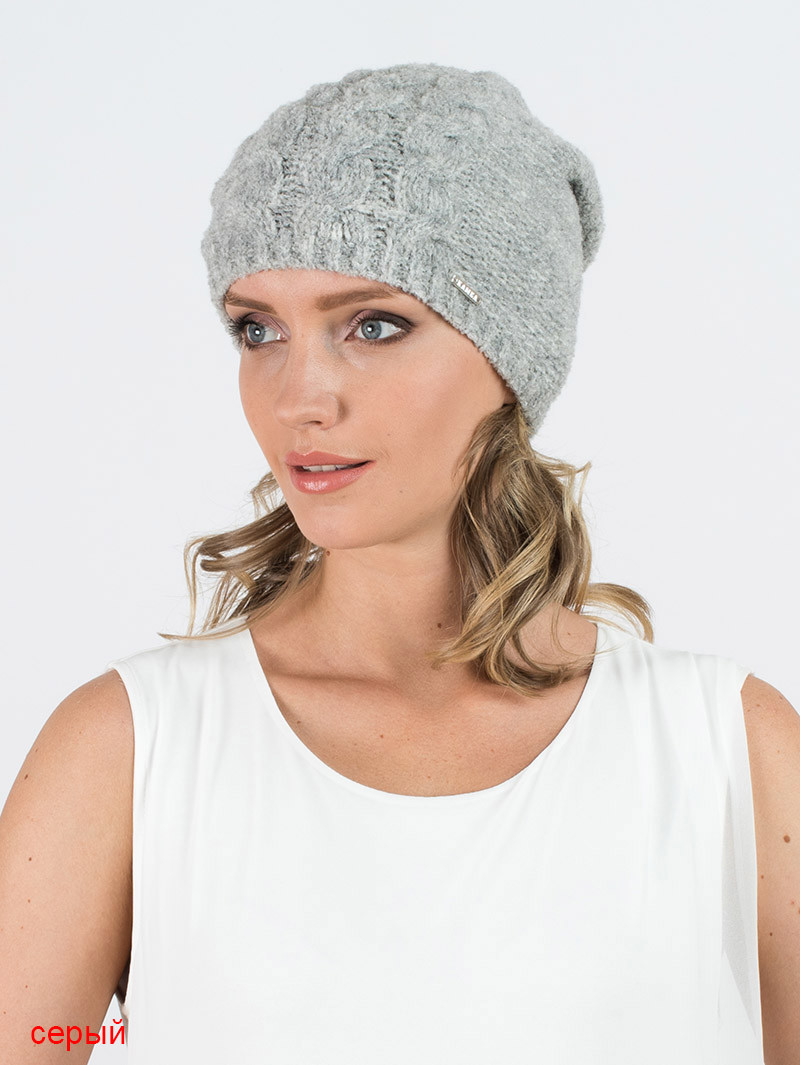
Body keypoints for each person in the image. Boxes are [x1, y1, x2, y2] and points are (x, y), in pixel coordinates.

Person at [0, 61, 797, 1065]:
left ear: (510, 358)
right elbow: (45, 1039)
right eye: (257, 330)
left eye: (373, 325)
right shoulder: (128, 748)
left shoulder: (728, 752)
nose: (300, 397)